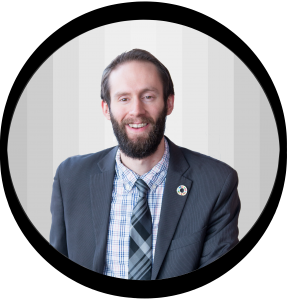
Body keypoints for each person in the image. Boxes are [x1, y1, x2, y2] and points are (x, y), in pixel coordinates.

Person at [50, 49, 241, 280]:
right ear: (106, 109)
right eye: (124, 98)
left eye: (148, 96)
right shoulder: (70, 178)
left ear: (169, 103)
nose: (136, 111)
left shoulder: (216, 183)